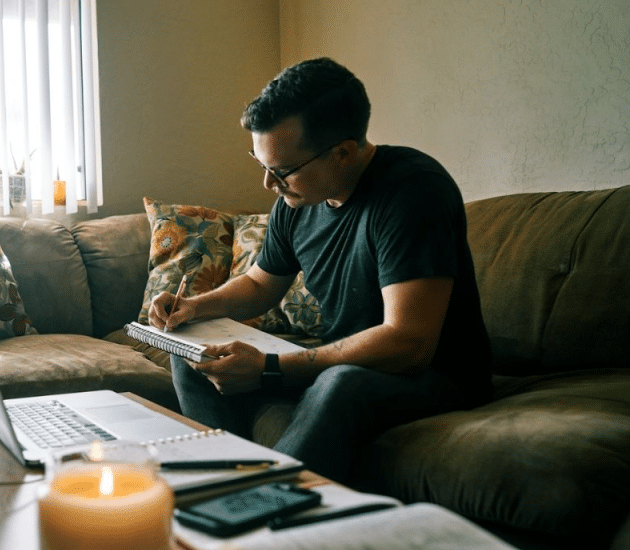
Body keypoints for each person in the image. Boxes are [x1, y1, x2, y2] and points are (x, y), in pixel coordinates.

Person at [149, 57, 492, 483]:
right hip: (344, 361)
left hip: (433, 376)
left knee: (339, 384)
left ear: (342, 153)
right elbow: (259, 285)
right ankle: (223, 482)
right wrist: (192, 309)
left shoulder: (413, 192)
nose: (268, 184)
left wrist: (270, 367)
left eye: (281, 171)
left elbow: (409, 342)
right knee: (193, 352)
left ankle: (265, 500)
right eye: (262, 166)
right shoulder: (296, 201)